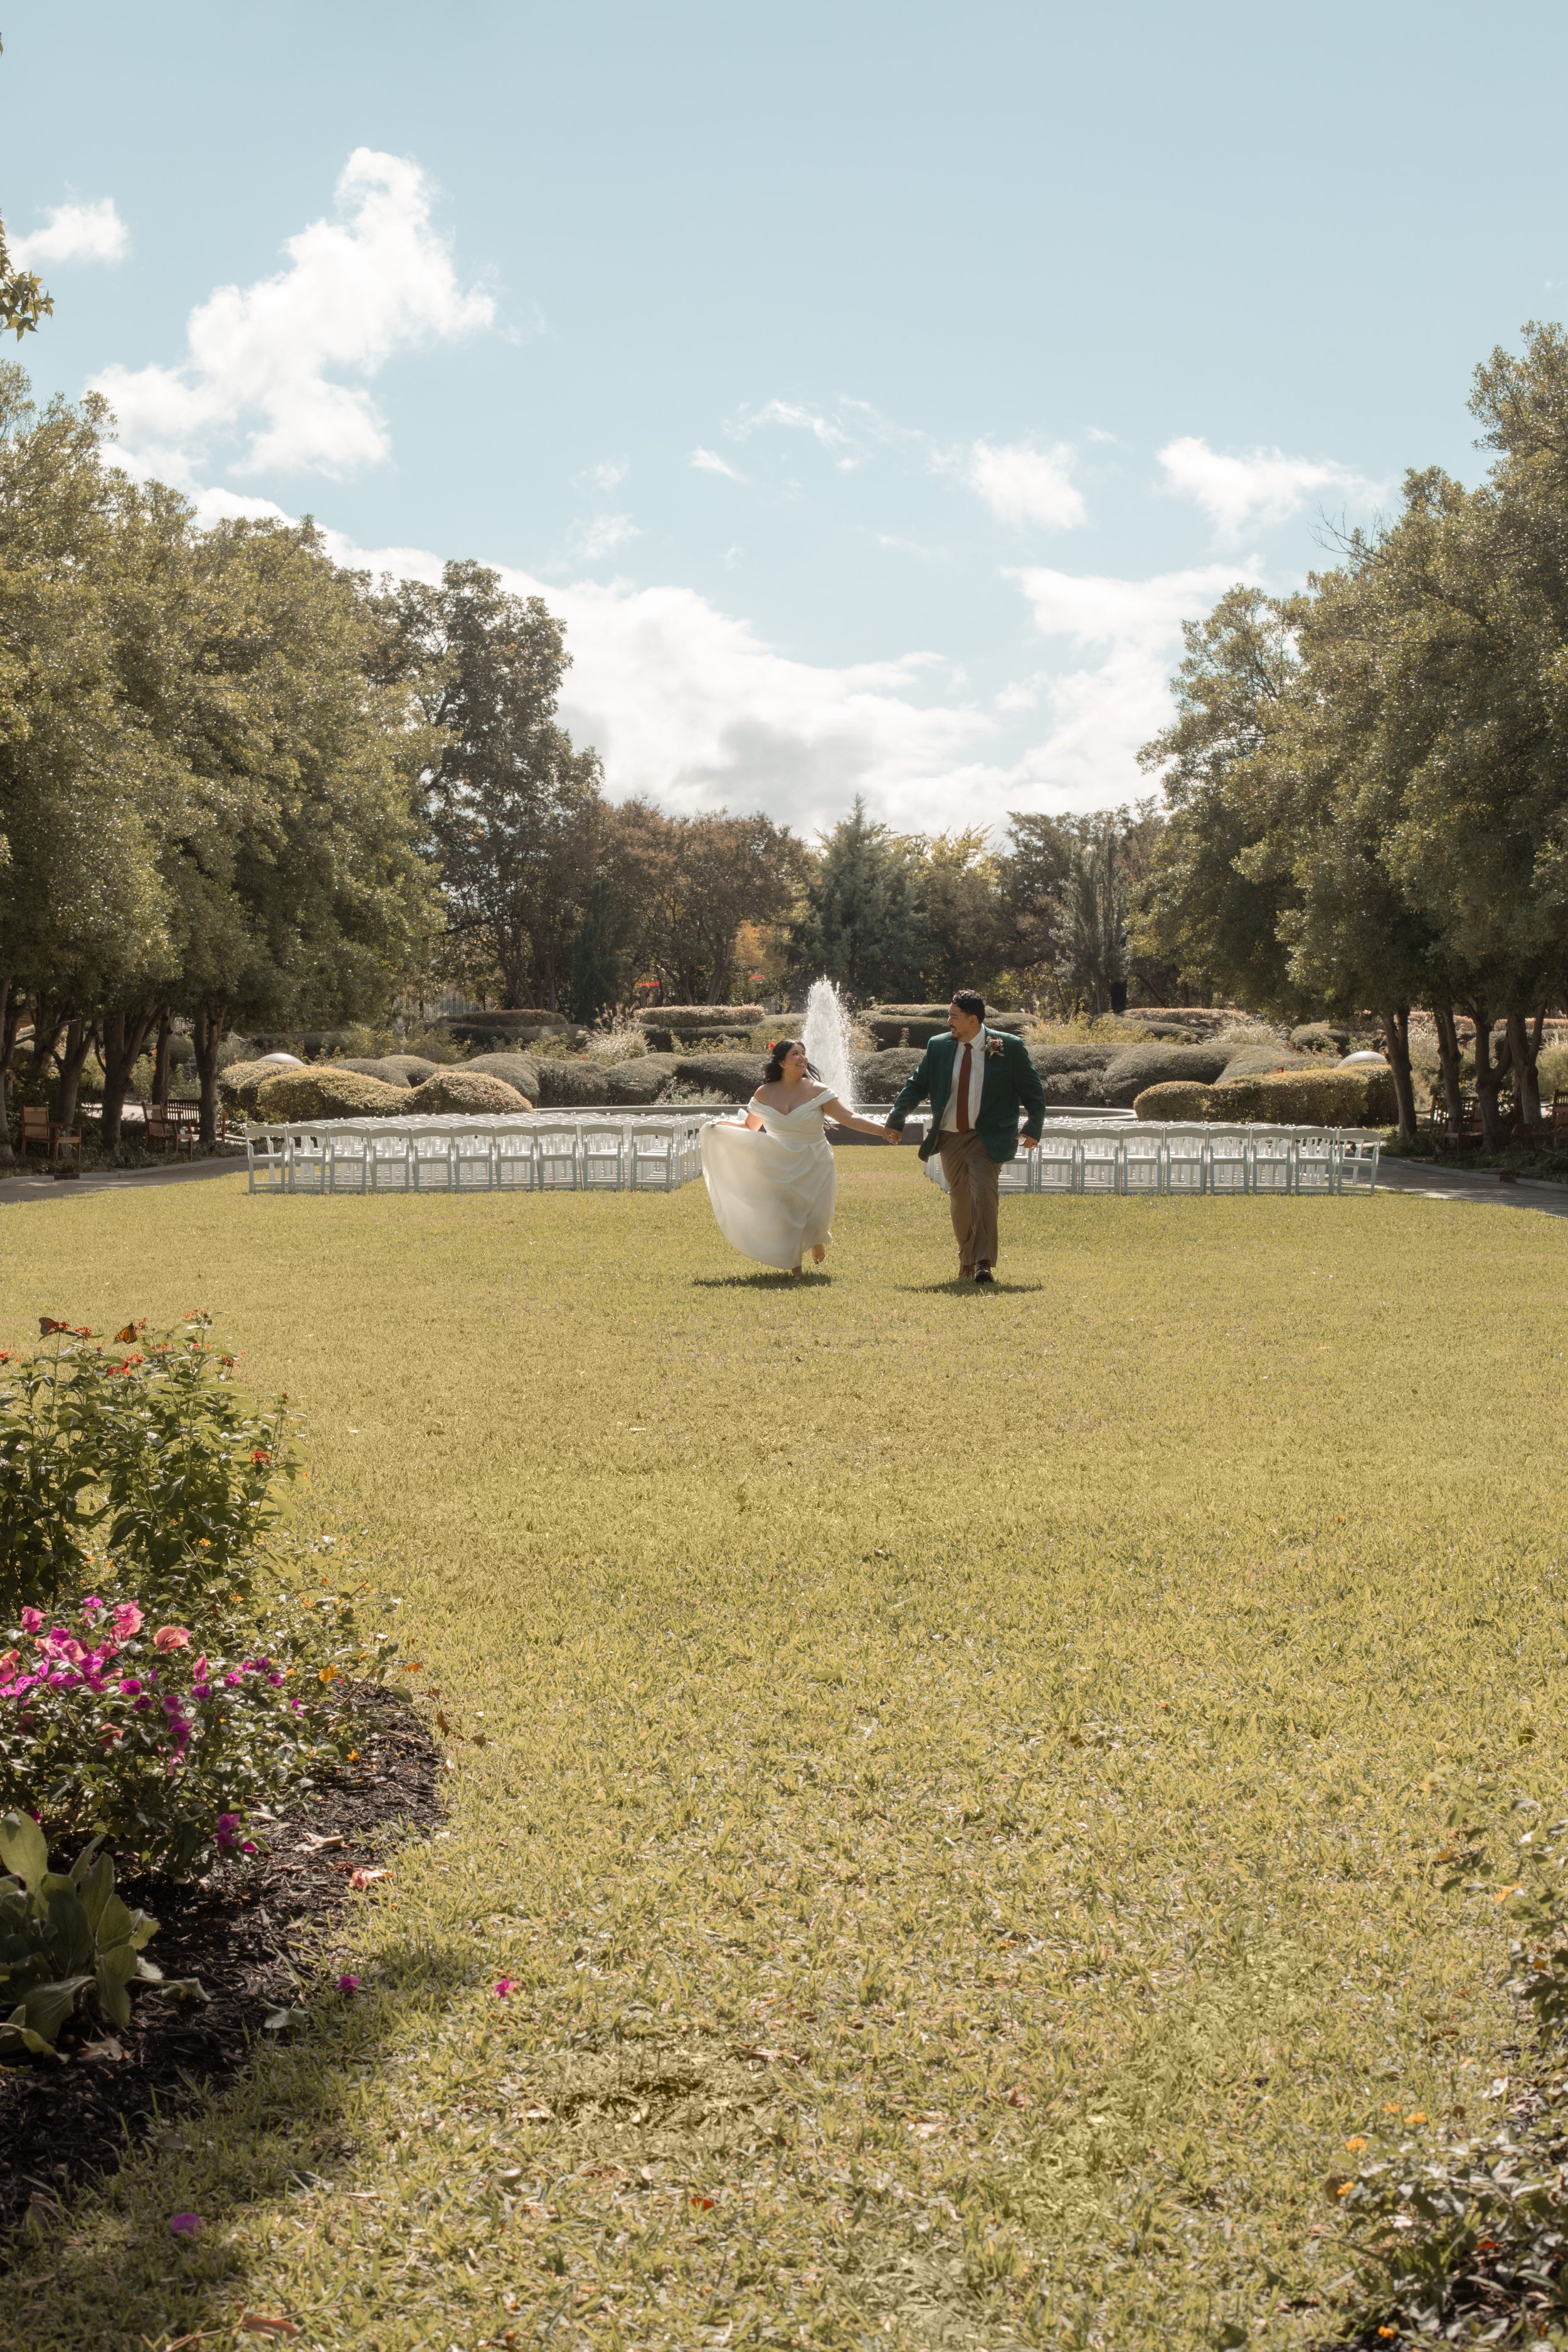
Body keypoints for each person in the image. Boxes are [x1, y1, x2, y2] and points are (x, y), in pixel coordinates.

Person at [885, 990, 1046, 1283]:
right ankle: (966, 1259)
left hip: (988, 1136)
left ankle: (983, 1262)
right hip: (950, 1136)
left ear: (973, 1020)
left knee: (983, 1192)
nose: (949, 1022)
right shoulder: (939, 1047)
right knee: (960, 1200)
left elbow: (1032, 1090)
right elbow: (916, 1085)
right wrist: (897, 1118)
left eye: (954, 1017)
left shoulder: (1009, 1046)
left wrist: (1034, 1125)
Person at [700, 1039, 898, 1275]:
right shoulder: (765, 1092)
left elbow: (848, 1117)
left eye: (803, 1054)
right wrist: (719, 1125)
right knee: (786, 1214)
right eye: (795, 1054)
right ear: (782, 1062)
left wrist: (883, 1130)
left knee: (816, 1212)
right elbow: (750, 1126)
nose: (802, 1058)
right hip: (778, 1160)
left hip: (815, 1158)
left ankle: (816, 1239)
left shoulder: (818, 1091)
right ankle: (795, 1267)